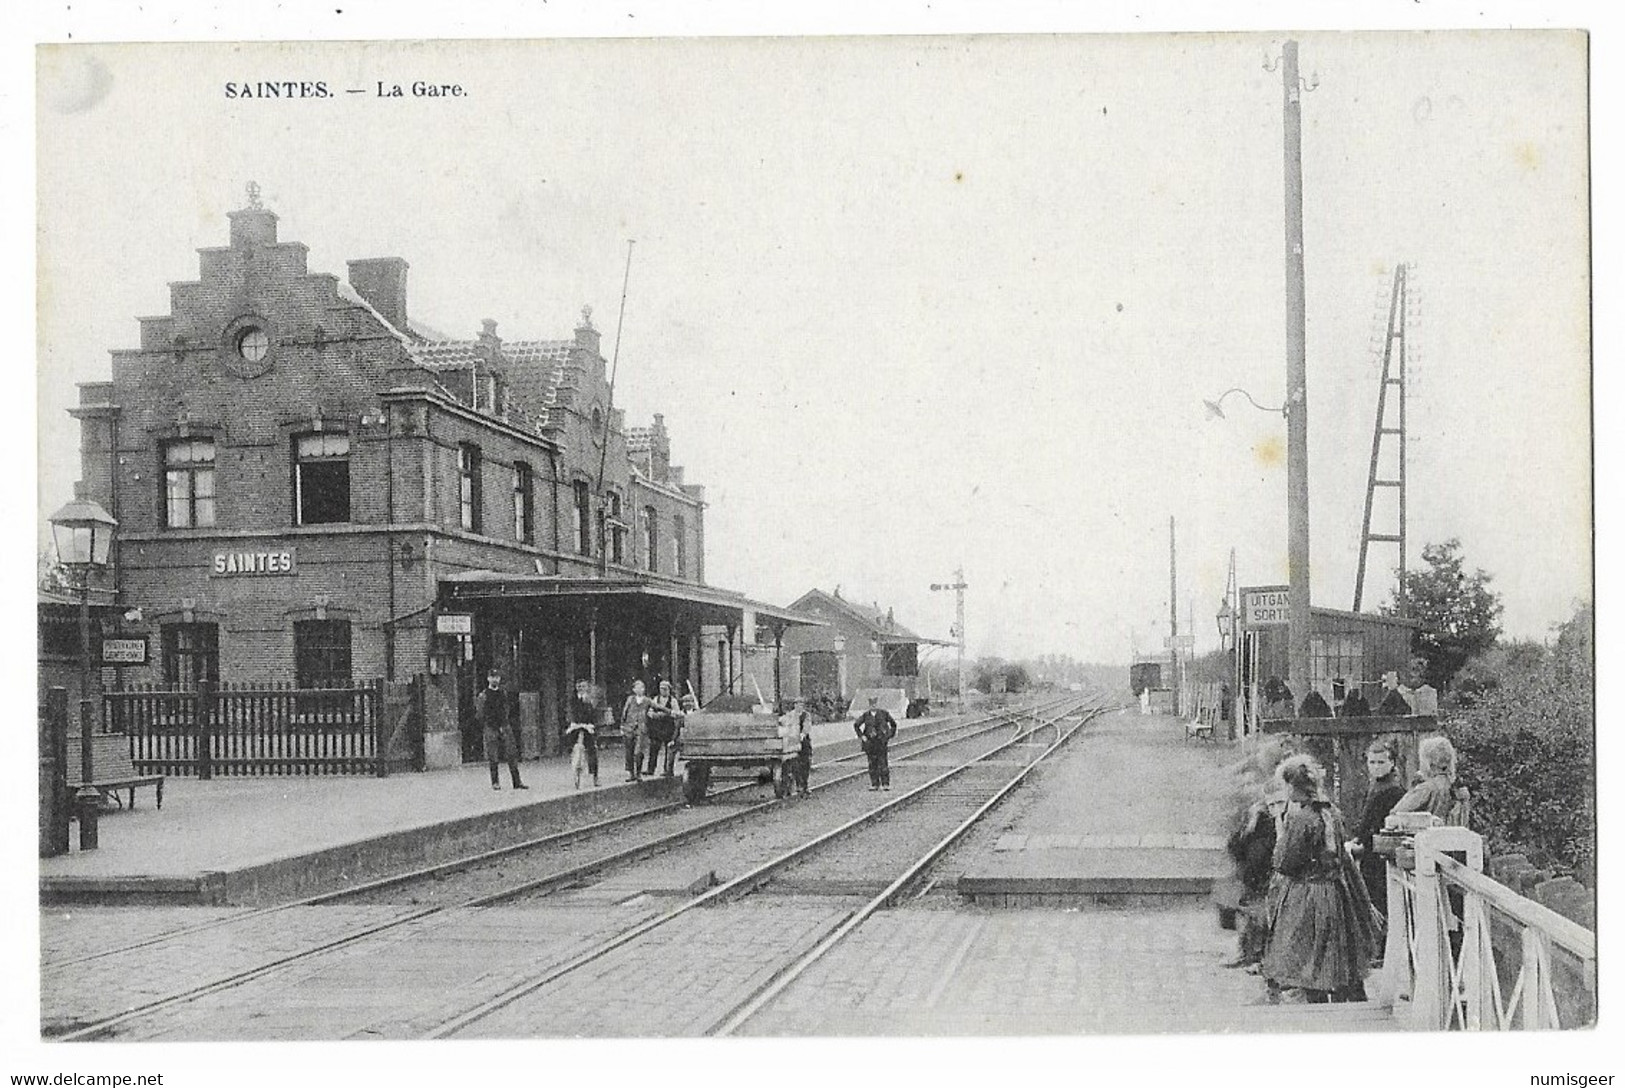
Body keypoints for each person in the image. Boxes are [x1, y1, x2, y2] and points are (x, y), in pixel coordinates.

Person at [1260, 754, 1378, 1003]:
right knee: (1334, 959)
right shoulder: (1331, 812)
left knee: (1309, 961)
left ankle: (1318, 1010)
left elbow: (1284, 863)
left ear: (1293, 787)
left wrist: (1280, 830)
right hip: (1335, 894)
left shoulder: (1301, 818)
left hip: (1307, 897)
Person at [1225, 781, 1285, 969]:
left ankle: (1262, 958)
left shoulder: (1289, 821)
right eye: (1271, 805)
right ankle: (1246, 952)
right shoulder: (1260, 819)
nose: (1276, 809)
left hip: (1272, 876)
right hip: (1254, 874)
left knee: (1266, 919)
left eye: (1280, 803)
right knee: (1248, 914)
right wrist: (1249, 826)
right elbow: (1235, 846)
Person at [1346, 738, 1406, 917]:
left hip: (1381, 854)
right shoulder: (1375, 786)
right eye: (1372, 762)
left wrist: (1360, 841)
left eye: (1381, 762)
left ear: (1392, 763)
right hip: (1370, 853)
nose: (1376, 767)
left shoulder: (1394, 791)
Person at [1391, 735, 1469, 825]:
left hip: (1428, 837)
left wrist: (1413, 789)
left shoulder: (1426, 788)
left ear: (1428, 762)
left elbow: (1395, 814)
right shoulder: (1459, 791)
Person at [475, 670, 526, 792]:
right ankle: (495, 782)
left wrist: (504, 722)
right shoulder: (483, 695)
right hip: (491, 726)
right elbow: (480, 713)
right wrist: (488, 724)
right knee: (493, 755)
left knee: (511, 753)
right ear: (488, 679)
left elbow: (506, 708)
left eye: (497, 677)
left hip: (504, 725)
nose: (495, 680)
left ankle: (517, 781)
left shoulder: (503, 693)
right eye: (492, 677)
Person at [853, 695, 898, 791]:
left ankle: (885, 783)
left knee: (883, 763)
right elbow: (856, 725)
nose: (873, 706)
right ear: (869, 705)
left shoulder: (884, 714)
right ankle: (874, 784)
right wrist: (862, 736)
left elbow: (893, 724)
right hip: (870, 743)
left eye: (875, 704)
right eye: (871, 705)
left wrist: (889, 735)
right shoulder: (866, 715)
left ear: (877, 704)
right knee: (872, 764)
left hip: (881, 742)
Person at [644, 679, 685, 778]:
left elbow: (676, 713)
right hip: (657, 727)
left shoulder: (673, 700)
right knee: (654, 748)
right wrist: (656, 715)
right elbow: (650, 712)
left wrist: (665, 715)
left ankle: (668, 770)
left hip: (668, 727)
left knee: (669, 749)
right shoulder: (655, 699)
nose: (663, 691)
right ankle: (651, 769)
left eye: (665, 689)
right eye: (661, 689)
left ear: (669, 690)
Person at [566, 678, 600, 789]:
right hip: (576, 726)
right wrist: (572, 723)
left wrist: (591, 725)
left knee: (592, 751)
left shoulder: (590, 700)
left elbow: (594, 714)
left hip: (588, 726)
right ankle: (575, 772)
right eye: (579, 687)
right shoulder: (572, 700)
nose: (581, 689)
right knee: (573, 748)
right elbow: (570, 712)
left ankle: (595, 776)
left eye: (583, 686)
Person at [779, 698, 813, 798]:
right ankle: (790, 787)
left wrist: (803, 734)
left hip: (803, 741)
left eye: (801, 705)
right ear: (794, 705)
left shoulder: (806, 715)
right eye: (797, 704)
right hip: (792, 741)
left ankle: (804, 786)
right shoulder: (790, 715)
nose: (799, 706)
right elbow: (783, 721)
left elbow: (807, 726)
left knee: (805, 764)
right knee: (792, 764)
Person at [619, 680, 652, 783]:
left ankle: (638, 773)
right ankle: (631, 773)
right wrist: (622, 725)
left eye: (642, 688)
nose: (640, 690)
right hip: (629, 728)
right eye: (637, 688)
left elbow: (658, 707)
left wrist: (671, 712)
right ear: (634, 690)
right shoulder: (630, 699)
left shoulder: (647, 700)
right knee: (629, 751)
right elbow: (625, 712)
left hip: (641, 729)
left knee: (638, 752)